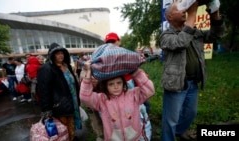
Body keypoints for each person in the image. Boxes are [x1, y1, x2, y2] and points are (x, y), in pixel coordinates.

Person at [159, 1, 225, 141]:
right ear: (170, 17)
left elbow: (215, 36)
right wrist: (192, 14)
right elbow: (181, 42)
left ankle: (180, 131)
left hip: (193, 82)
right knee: (170, 119)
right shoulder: (166, 36)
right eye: (179, 9)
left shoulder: (194, 32)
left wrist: (215, 15)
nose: (184, 11)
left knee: (191, 113)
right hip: (177, 84)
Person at [80, 60, 155, 141]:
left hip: (134, 138)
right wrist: (87, 76)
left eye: (119, 83)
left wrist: (136, 72)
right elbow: (85, 98)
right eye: (111, 84)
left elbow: (149, 90)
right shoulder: (101, 99)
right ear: (106, 86)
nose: (116, 87)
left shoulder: (133, 95)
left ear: (124, 83)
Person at [37, 42, 81, 141]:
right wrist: (46, 111)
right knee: (62, 128)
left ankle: (72, 137)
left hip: (71, 101)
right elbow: (43, 91)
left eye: (62, 53)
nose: (60, 55)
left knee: (71, 123)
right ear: (52, 55)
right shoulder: (46, 68)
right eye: (57, 53)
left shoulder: (66, 66)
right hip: (59, 104)